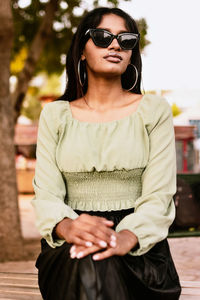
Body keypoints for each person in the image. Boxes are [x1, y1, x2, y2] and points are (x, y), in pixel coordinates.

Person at [32, 7, 181, 300]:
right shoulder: (55, 115)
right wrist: (68, 226)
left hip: (142, 249)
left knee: (95, 262)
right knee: (88, 259)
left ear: (131, 55)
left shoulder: (153, 111)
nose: (115, 45)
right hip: (68, 247)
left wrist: (125, 237)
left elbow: (159, 197)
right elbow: (46, 196)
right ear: (82, 50)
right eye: (102, 36)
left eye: (126, 40)